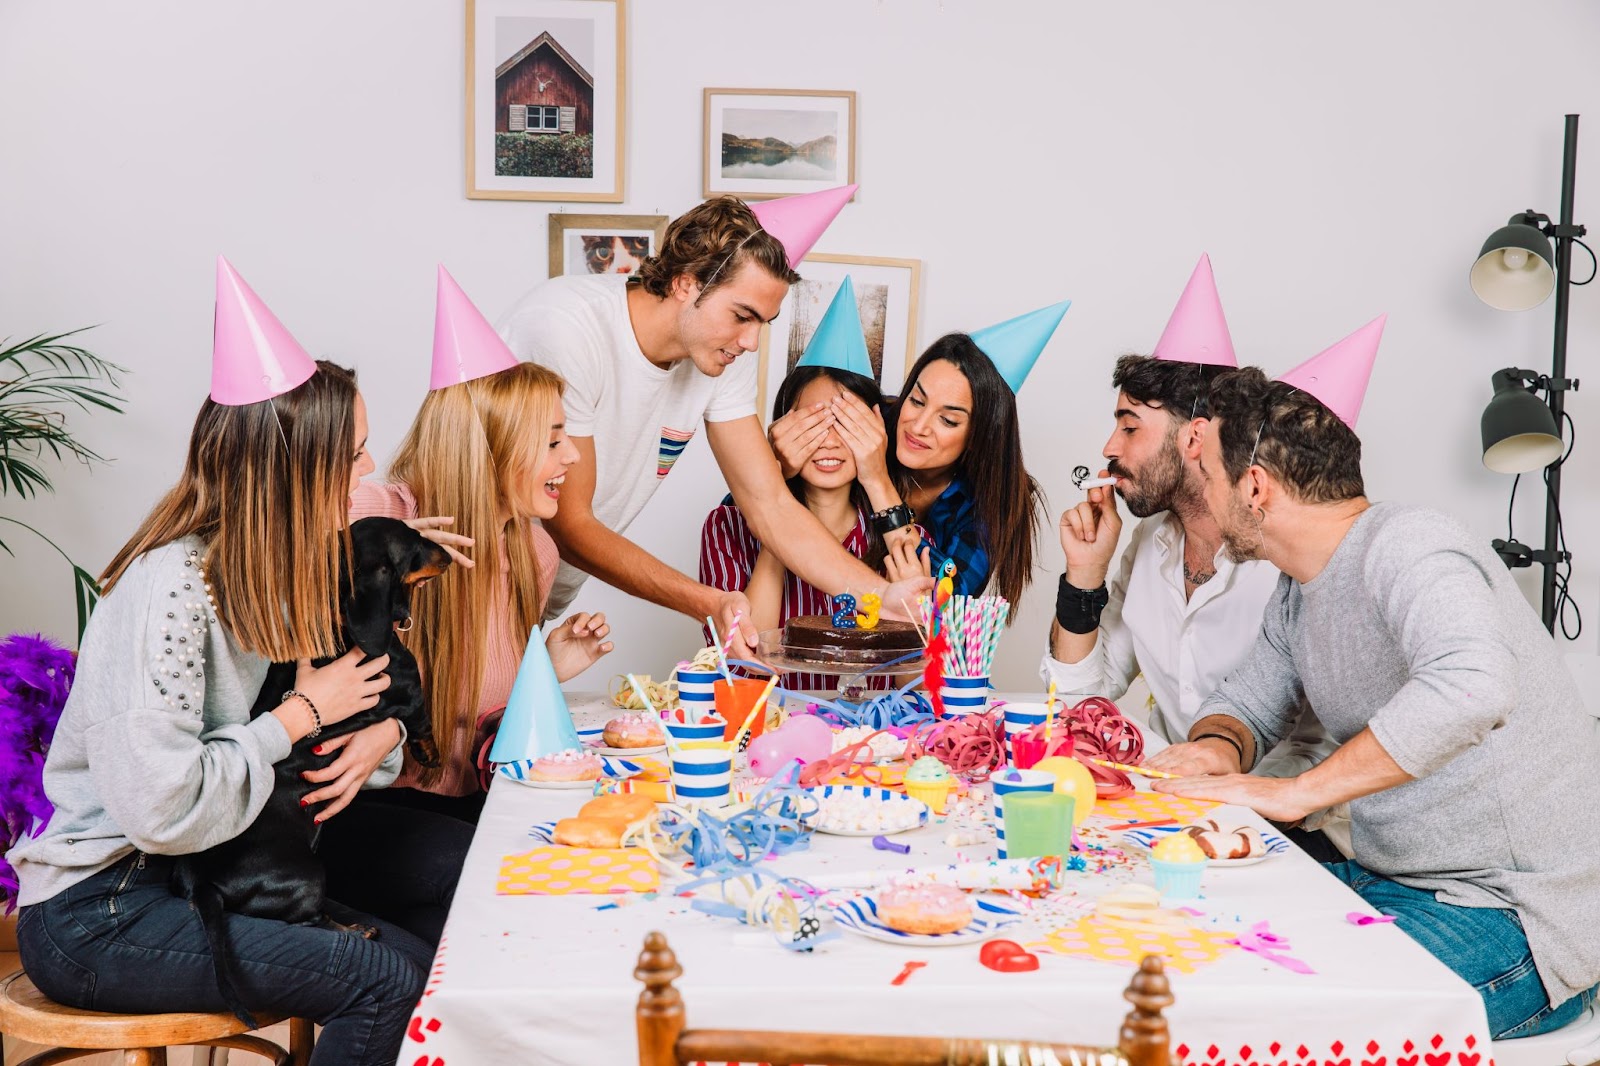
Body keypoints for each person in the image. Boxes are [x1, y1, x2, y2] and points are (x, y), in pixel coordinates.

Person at [8, 260, 426, 1066]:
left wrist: (383, 742)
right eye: (354, 456)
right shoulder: (171, 587)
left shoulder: (275, 575)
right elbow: (162, 812)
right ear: (293, 469)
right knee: (381, 983)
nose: (368, 473)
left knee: (422, 963)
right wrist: (298, 718)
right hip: (102, 910)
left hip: (209, 871)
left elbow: (334, 736)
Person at [1149, 322, 1600, 1039]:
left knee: (1260, 1016)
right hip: (1393, 880)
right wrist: (1215, 749)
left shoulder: (1410, 543)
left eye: (1207, 480)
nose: (1199, 500)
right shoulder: (1299, 587)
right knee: (1176, 940)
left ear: (1256, 486)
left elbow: (1474, 684)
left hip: (1509, 916)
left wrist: (1294, 793)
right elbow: (1246, 703)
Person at [499, 187, 929, 655]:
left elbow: (771, 505)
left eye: (763, 322)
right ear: (686, 282)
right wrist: (711, 602)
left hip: (536, 591)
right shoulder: (568, 328)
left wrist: (881, 595)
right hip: (461, 577)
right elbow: (571, 524)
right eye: (743, 316)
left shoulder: (722, 356)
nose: (751, 343)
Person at [1040, 257, 1343, 859]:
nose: (1109, 447)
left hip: (1295, 830)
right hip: (1176, 809)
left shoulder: (1288, 551)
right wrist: (1084, 577)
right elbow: (1077, 703)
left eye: (1130, 426)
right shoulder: (1149, 544)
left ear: (1195, 436)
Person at [700, 278, 928, 688]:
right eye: (814, 422)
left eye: (847, 423)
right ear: (780, 425)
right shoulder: (726, 527)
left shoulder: (905, 541)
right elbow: (747, 666)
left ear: (876, 430)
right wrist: (774, 487)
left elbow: (914, 679)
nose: (829, 441)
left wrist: (876, 473)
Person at [873, 301, 1066, 605]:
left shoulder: (991, 497)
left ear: (981, 436)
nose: (918, 426)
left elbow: (953, 597)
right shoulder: (874, 426)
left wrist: (877, 483)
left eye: (948, 420)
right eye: (917, 400)